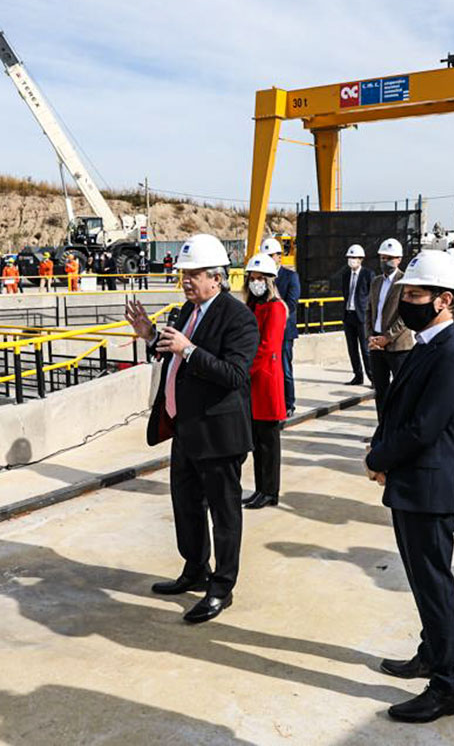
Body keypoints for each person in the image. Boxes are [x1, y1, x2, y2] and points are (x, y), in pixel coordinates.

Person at [364, 249, 454, 723]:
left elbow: (424, 428)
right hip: (411, 483)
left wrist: (379, 457)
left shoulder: (453, 355)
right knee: (421, 579)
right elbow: (395, 409)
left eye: (415, 293)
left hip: (430, 488)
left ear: (444, 299)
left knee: (435, 585)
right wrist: (381, 448)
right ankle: (429, 653)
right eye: (404, 292)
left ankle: (447, 684)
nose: (406, 300)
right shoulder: (422, 345)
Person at [124, 233, 258, 625]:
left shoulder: (238, 318)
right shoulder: (187, 311)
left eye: (193, 274)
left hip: (219, 435)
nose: (185, 281)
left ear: (217, 278)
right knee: (185, 505)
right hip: (185, 428)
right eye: (183, 274)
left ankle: (222, 586)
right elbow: (170, 354)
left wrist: (189, 349)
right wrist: (150, 335)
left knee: (224, 512)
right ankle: (195, 568)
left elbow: (234, 374)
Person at [240, 253, 288, 510]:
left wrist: (242, 370)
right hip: (253, 382)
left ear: (269, 281)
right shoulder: (252, 306)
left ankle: (270, 491)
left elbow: (267, 347)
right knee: (258, 444)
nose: (256, 282)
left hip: (265, 382)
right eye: (252, 278)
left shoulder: (276, 308)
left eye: (260, 278)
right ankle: (261, 488)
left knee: (269, 444)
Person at [366, 238, 414, 422]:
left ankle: (400, 430)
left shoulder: (406, 282)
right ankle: (383, 430)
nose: (385, 262)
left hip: (398, 347)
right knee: (381, 391)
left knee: (402, 392)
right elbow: (369, 310)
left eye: (389, 258)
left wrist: (388, 337)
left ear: (399, 259)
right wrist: (371, 336)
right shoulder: (376, 282)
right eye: (382, 257)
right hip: (377, 345)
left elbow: (405, 317)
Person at [261, 237, 301, 415]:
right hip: (265, 332)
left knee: (284, 369)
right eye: (265, 255)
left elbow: (291, 303)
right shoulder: (260, 277)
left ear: (279, 256)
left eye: (272, 255)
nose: (269, 258)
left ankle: (289, 403)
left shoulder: (290, 276)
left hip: (284, 332)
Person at [336, 244, 373, 385]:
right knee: (352, 349)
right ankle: (358, 376)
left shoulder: (368, 274)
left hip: (362, 317)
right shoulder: (346, 274)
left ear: (361, 259)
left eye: (354, 257)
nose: (351, 260)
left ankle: (372, 378)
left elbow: (371, 296)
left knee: (365, 349)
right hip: (348, 315)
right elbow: (346, 293)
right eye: (350, 257)